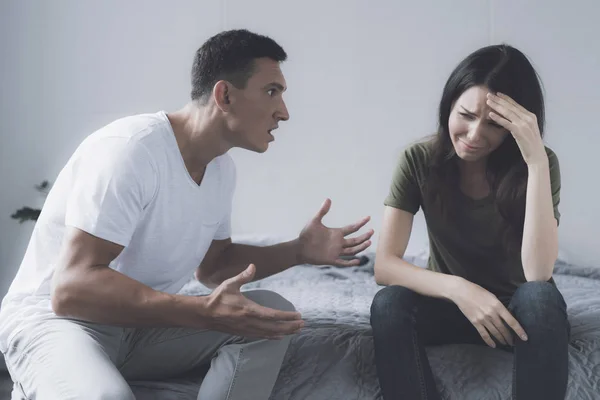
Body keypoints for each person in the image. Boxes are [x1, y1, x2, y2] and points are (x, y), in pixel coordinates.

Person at [0, 29, 373, 400]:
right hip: (57, 320)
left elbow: (214, 267)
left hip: (137, 326)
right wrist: (201, 312)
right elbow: (71, 290)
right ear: (224, 94)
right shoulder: (130, 151)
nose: (284, 112)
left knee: (270, 315)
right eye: (271, 91)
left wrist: (297, 251)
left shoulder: (221, 169)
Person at [370, 44, 569, 400]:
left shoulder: (539, 163)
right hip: (449, 307)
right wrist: (461, 289)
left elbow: (538, 273)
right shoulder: (418, 160)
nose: (475, 135)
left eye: (494, 124)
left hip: (517, 317)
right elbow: (385, 265)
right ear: (448, 105)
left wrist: (536, 161)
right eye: (465, 115)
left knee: (540, 297)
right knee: (389, 304)